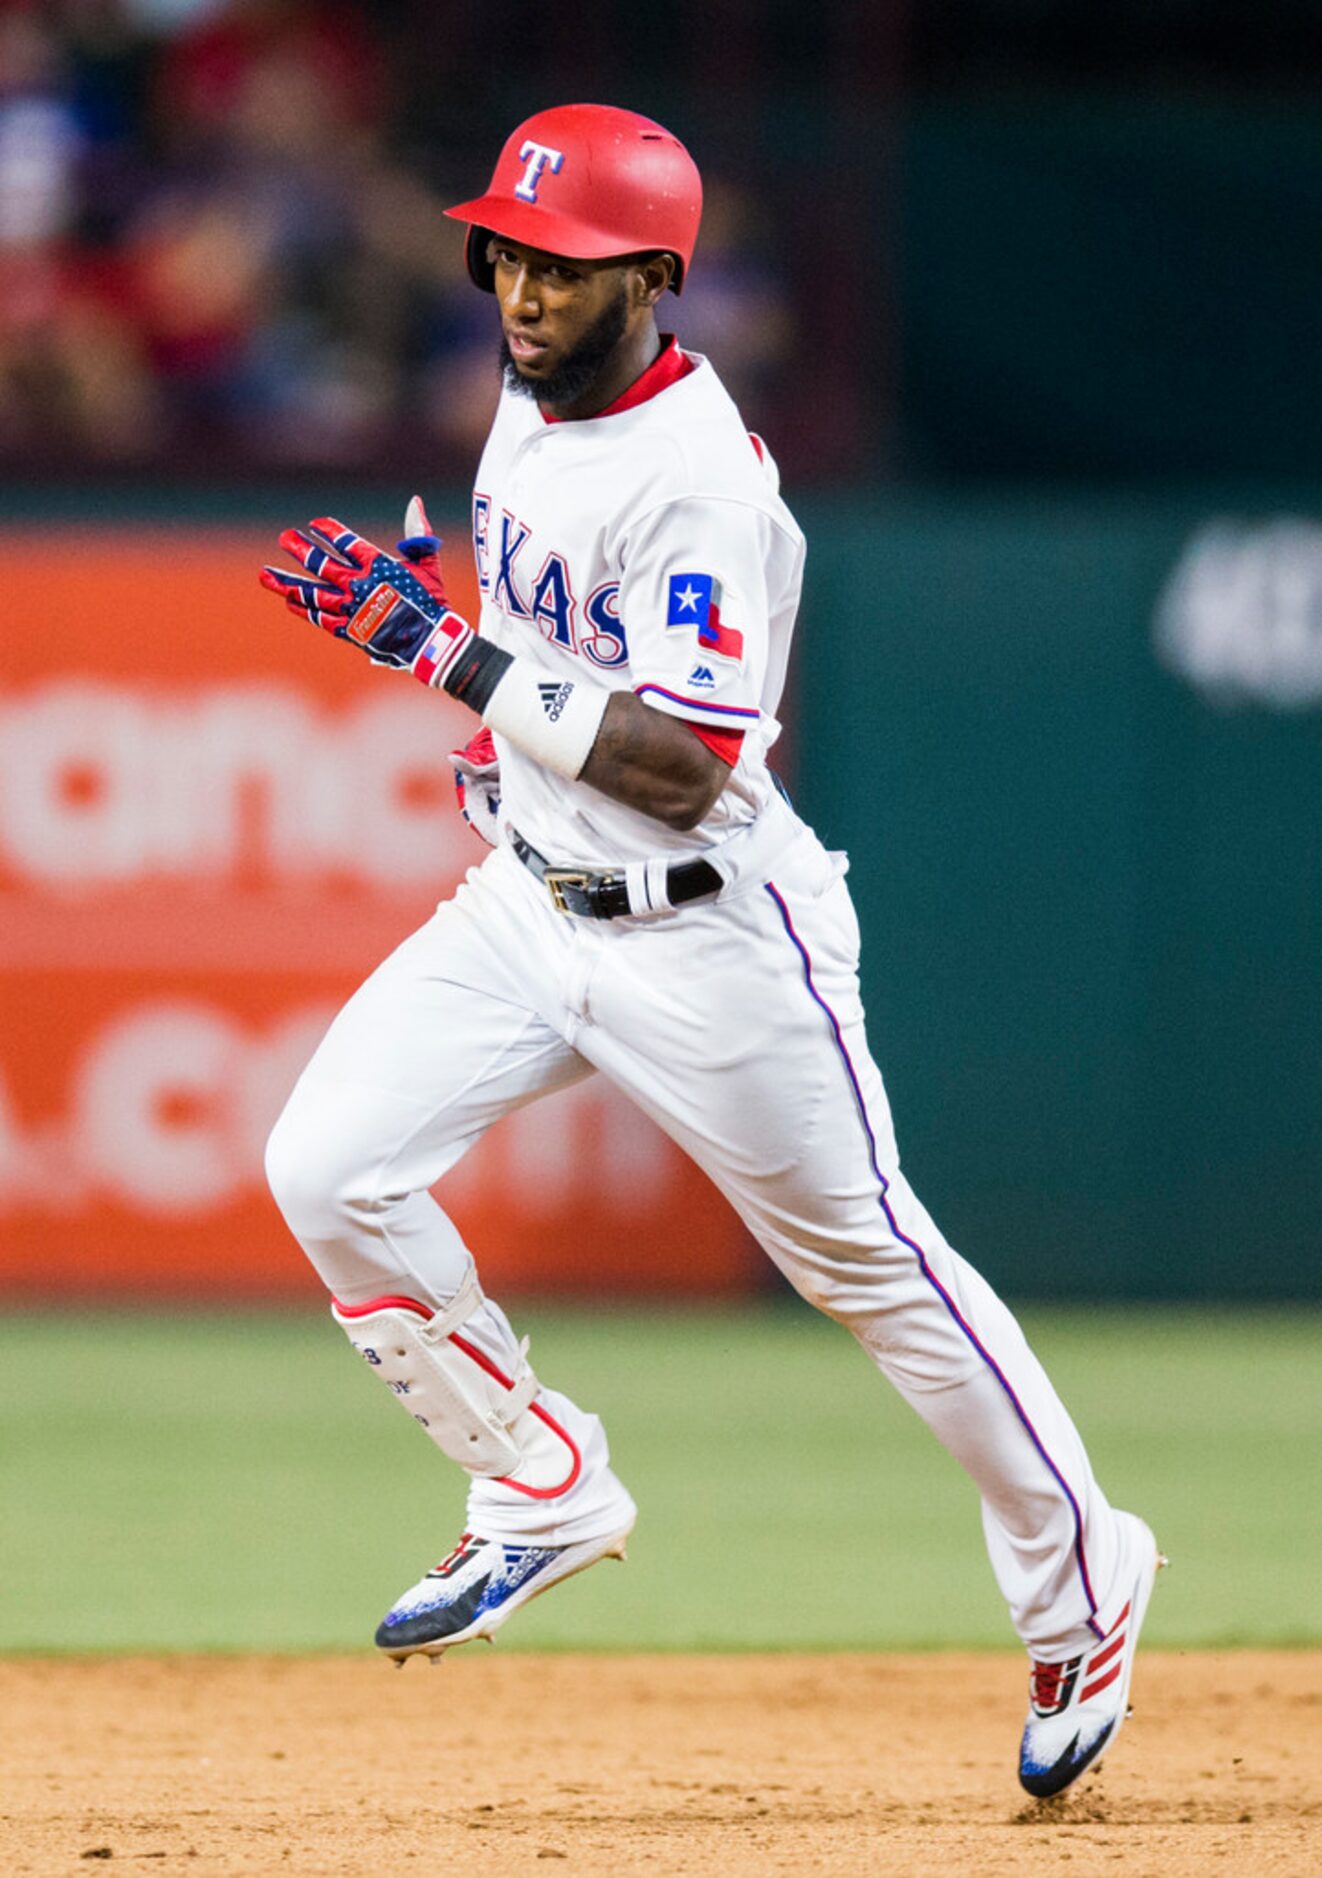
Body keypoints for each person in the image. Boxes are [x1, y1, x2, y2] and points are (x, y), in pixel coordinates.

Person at [259, 103, 1163, 1798]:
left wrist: (444, 654)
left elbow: (684, 764)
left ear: (656, 280)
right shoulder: (528, 409)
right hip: (531, 897)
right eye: (511, 252)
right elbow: (542, 659)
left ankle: (1081, 1568)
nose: (527, 289)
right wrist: (484, 707)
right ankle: (536, 1475)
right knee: (327, 1163)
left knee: (872, 1270)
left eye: (571, 265)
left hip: (712, 939)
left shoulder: (695, 477)